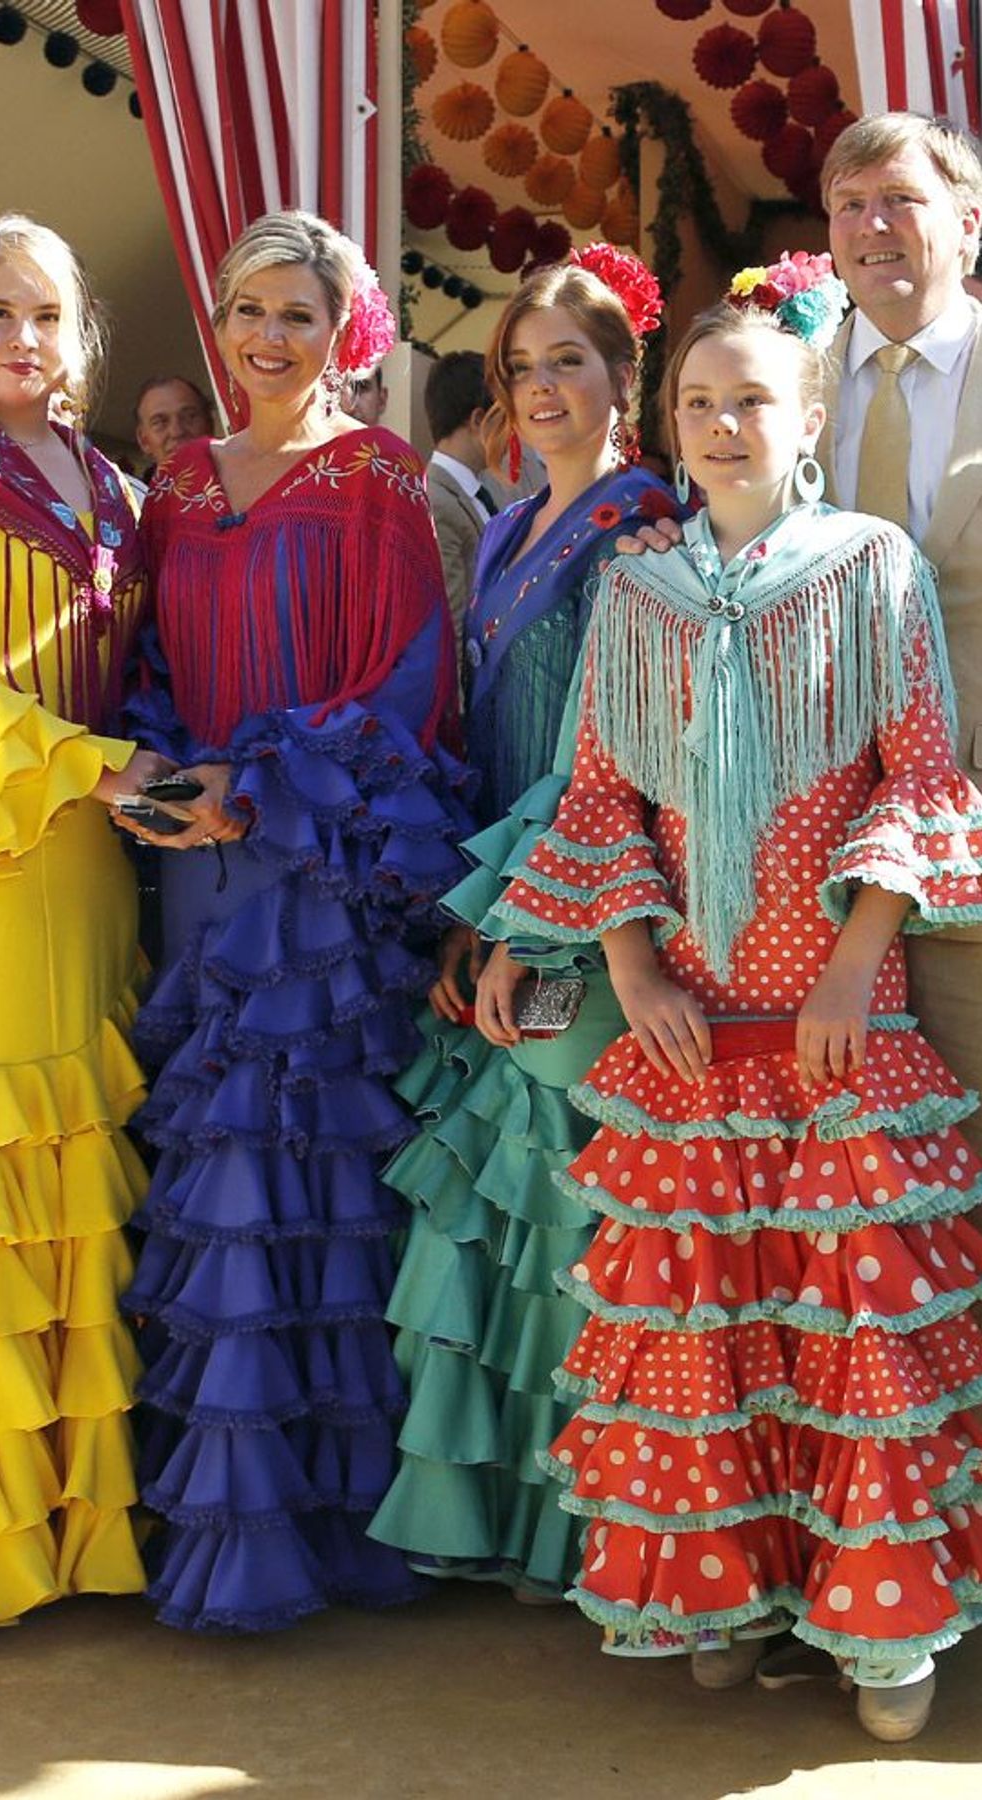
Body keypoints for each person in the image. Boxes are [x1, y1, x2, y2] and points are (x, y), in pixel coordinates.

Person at [479, 277, 982, 1742]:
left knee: (846, 1318)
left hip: (836, 1017)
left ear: (810, 415)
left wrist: (852, 953)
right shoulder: (635, 586)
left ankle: (878, 1631)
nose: (720, 425)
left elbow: (921, 772)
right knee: (714, 1319)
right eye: (697, 402)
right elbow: (599, 798)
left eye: (753, 399)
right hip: (690, 1018)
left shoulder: (870, 564)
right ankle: (733, 1588)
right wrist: (629, 963)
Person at [115, 210, 470, 1633]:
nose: (270, 338)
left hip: (313, 877)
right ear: (222, 320)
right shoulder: (179, 487)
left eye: (300, 316)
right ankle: (216, 1508)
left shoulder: (383, 481)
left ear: (347, 334)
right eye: (251, 311)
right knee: (208, 1176)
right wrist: (160, 777)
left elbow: (411, 692)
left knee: (309, 1180)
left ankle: (328, 1526)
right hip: (194, 870)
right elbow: (143, 661)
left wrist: (253, 789)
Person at [368, 248, 681, 1600]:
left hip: (580, 919)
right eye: (523, 366)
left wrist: (524, 921)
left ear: (626, 377)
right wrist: (463, 913)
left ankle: (588, 1531)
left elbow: (606, 756)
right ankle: (506, 1525)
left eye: (570, 361)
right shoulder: (501, 525)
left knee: (564, 1201)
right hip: (496, 909)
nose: (544, 387)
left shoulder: (645, 529)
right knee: (499, 1208)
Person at [0, 215, 164, 1638]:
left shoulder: (119, 491)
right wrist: (86, 763)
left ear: (82, 336)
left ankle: (69, 1535)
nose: (23, 338)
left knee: (69, 1174)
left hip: (94, 868)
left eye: (49, 315)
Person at [818, 112, 982, 1155]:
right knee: (857, 1217)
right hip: (811, 875)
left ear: (968, 221)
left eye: (899, 200)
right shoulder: (776, 388)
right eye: (848, 204)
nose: (871, 224)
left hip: (975, 865)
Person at [425, 350, 495, 635]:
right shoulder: (437, 502)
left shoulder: (474, 491)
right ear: (478, 420)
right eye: (503, 417)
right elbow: (451, 624)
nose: (513, 431)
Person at [134, 375, 214, 476]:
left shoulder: (237, 477)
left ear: (209, 424)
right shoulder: (136, 491)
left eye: (189, 417)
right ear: (143, 441)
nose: (177, 432)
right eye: (159, 422)